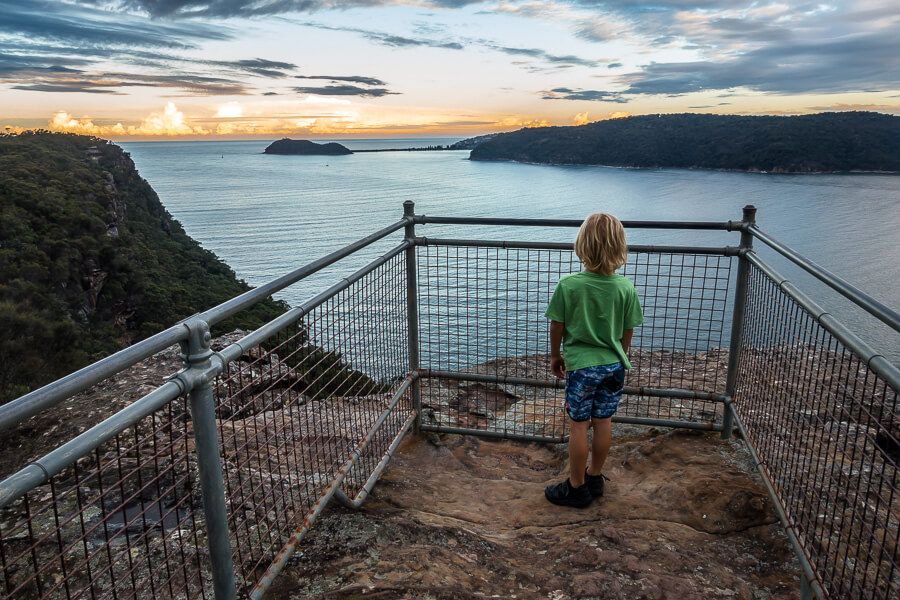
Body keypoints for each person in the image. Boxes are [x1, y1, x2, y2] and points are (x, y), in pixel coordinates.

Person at [543, 213, 644, 508]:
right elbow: (628, 331)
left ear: (582, 245)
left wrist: (555, 355)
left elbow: (557, 326)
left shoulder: (569, 285)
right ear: (618, 247)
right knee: (603, 421)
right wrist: (619, 354)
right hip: (613, 365)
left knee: (578, 425)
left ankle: (576, 488)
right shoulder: (625, 288)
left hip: (582, 366)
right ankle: (595, 476)